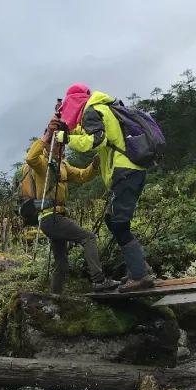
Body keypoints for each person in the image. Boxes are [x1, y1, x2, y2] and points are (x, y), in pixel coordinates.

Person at [52, 83, 155, 292]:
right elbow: (89, 131)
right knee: (112, 219)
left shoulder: (92, 110)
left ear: (74, 101)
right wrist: (68, 130)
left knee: (118, 223)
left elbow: (96, 140)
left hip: (125, 170)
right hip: (129, 169)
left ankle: (141, 276)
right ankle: (139, 267)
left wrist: (65, 138)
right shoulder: (100, 107)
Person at [22, 118, 120, 294]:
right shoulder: (42, 164)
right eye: (58, 144)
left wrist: (95, 164)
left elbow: (82, 176)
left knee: (62, 263)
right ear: (49, 146)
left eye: (61, 144)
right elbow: (30, 158)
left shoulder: (63, 165)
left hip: (55, 217)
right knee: (89, 238)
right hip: (50, 217)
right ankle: (98, 281)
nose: (62, 147)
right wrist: (47, 135)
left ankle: (54, 296)